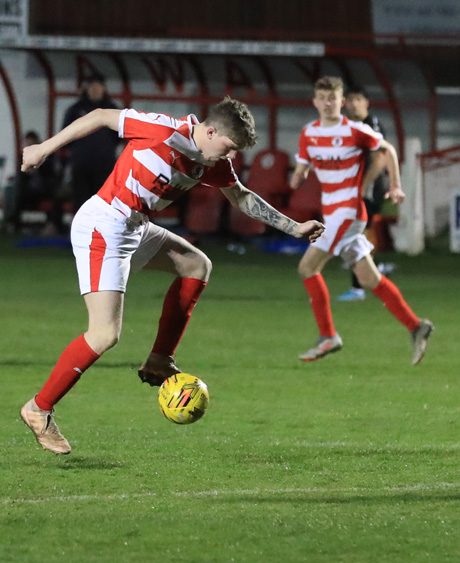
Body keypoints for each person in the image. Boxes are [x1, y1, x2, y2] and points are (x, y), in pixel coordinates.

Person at [19, 97, 325, 455]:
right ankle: (38, 409)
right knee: (103, 334)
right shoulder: (164, 129)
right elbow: (102, 116)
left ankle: (160, 358)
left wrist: (294, 227)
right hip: (105, 225)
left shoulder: (212, 158)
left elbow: (240, 197)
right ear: (210, 131)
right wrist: (44, 148)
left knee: (197, 265)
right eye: (229, 148)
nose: (231, 158)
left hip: (134, 227)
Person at [290, 76, 433, 364]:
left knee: (307, 267)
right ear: (315, 101)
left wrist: (394, 185)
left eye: (333, 98)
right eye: (322, 97)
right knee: (370, 278)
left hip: (350, 212)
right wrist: (298, 174)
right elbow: (303, 165)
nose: (328, 103)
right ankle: (416, 326)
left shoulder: (355, 130)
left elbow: (388, 150)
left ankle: (328, 335)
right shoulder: (308, 134)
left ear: (341, 102)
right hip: (331, 212)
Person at [335, 86, 391, 302]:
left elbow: (380, 159)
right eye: (351, 100)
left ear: (366, 102)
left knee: (356, 233)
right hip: (354, 188)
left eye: (359, 99)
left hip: (371, 188)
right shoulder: (345, 126)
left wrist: (363, 187)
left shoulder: (371, 125)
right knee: (356, 233)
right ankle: (372, 272)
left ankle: (359, 287)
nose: (355, 103)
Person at [62, 73, 120, 211]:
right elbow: (65, 135)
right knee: (81, 203)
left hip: (104, 166)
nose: (95, 90)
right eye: (92, 86)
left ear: (104, 88)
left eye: (98, 86)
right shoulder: (75, 110)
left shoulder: (111, 108)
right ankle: (81, 231)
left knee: (104, 203)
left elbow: (118, 135)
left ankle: (101, 232)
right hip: (81, 166)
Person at [3, 131, 64, 234]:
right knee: (15, 193)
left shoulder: (47, 156)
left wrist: (38, 170)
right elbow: (20, 175)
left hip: (45, 189)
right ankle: (12, 224)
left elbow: (52, 175)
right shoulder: (23, 158)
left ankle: (52, 225)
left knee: (55, 196)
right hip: (29, 191)